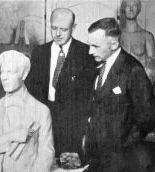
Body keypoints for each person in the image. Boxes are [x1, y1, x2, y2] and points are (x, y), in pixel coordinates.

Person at [85, 17, 155, 172]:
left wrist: (123, 146)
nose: (90, 51)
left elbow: (148, 118)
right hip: (97, 157)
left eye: (95, 46)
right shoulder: (96, 64)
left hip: (120, 161)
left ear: (114, 44)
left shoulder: (133, 70)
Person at [26, 8, 97, 161]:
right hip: (44, 121)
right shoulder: (39, 52)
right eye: (54, 28)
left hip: (72, 125)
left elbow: (90, 95)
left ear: (74, 28)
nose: (58, 34)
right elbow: (31, 89)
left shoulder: (86, 54)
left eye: (63, 29)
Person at [0, 50, 54, 172]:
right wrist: (12, 136)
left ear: (24, 74)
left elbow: (45, 157)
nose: (4, 77)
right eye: (2, 71)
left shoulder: (41, 111)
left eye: (10, 72)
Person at [119, 0, 155, 85]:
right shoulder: (117, 36)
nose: (131, 9)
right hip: (121, 84)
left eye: (134, 6)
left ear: (138, 9)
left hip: (140, 84)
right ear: (123, 9)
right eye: (127, 6)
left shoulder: (147, 36)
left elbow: (152, 65)